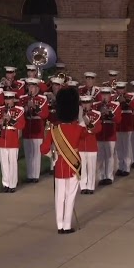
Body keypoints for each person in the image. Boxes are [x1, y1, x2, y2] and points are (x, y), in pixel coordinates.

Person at [40, 87, 88, 234]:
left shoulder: (55, 130)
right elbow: (85, 135)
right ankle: (67, 225)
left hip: (60, 165)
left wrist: (53, 155)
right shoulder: (78, 129)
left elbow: (43, 149)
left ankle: (59, 225)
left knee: (59, 196)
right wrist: (82, 121)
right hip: (74, 165)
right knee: (70, 196)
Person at [19, 78, 49, 183]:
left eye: (33, 87)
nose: (30, 89)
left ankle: (35, 176)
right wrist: (26, 109)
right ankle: (29, 175)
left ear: (37, 88)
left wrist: (35, 107)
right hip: (27, 128)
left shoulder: (42, 99)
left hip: (37, 128)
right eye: (29, 87)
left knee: (36, 153)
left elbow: (45, 114)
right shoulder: (23, 98)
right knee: (28, 153)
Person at [0, 91, 26, 193]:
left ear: (13, 99)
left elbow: (21, 125)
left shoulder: (19, 110)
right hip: (2, 139)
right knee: (4, 163)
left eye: (9, 99)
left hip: (12, 139)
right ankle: (5, 184)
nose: (7, 101)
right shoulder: (0, 110)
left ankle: (12, 184)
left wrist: (10, 119)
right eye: (6, 99)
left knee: (12, 163)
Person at [95, 86, 122, 185]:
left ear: (110, 95)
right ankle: (102, 176)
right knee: (101, 156)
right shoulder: (97, 105)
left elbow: (118, 120)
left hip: (110, 134)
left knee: (110, 156)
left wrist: (110, 114)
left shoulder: (115, 105)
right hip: (100, 134)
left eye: (106, 94)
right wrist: (100, 113)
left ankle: (109, 176)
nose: (104, 97)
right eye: (103, 94)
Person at [78, 95, 102, 194]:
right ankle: (83, 186)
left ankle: (91, 186)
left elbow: (98, 128)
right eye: (84, 103)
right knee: (82, 167)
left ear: (91, 103)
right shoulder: (77, 115)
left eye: (87, 103)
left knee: (91, 167)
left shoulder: (96, 114)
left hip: (91, 144)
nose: (85, 105)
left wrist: (88, 123)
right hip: (81, 144)